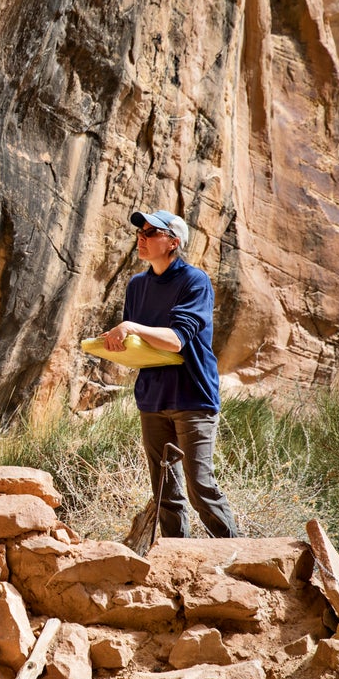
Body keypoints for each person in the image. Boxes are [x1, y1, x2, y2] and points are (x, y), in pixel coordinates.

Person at [101, 209, 238, 539]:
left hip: (193, 397)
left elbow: (177, 340)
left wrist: (131, 327)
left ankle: (240, 556)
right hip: (152, 398)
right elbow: (140, 343)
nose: (142, 237)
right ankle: (178, 558)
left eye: (151, 232)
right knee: (165, 492)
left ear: (174, 243)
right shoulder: (137, 286)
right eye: (140, 231)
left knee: (200, 486)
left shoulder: (195, 281)